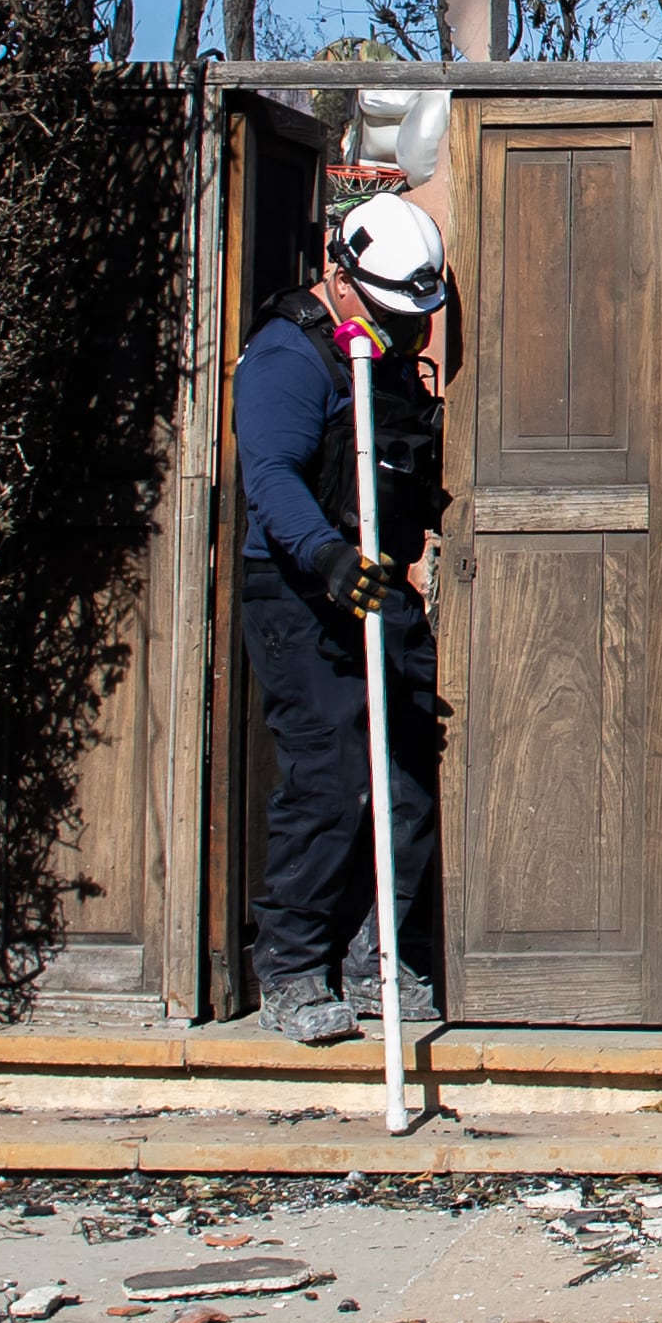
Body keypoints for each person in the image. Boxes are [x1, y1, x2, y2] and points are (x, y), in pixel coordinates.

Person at [235, 193, 455, 1047]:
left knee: (405, 774)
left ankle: (382, 955)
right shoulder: (287, 359)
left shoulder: (390, 347)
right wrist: (329, 559)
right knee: (332, 773)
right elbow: (274, 480)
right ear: (340, 274)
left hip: (383, 582)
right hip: (302, 587)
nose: (406, 333)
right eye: (391, 312)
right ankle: (292, 966)